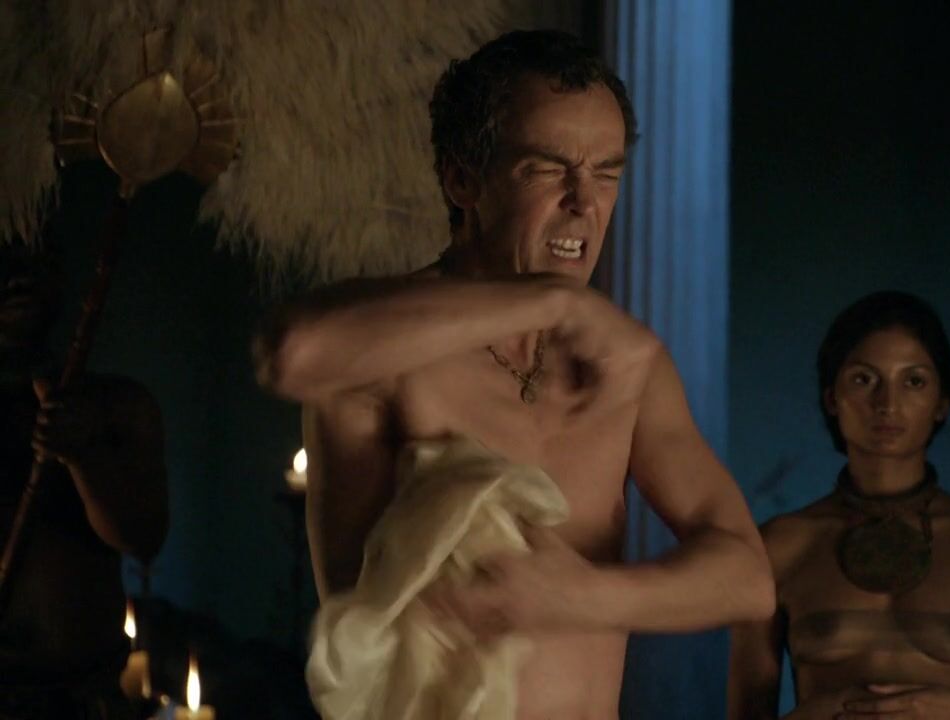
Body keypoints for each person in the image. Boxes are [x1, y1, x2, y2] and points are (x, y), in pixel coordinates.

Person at [254, 30, 773, 719]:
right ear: (462, 179)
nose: (584, 202)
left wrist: (581, 596)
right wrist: (552, 300)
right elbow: (291, 354)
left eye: (607, 173)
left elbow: (746, 578)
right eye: (546, 169)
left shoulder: (622, 364)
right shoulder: (385, 348)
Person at [727, 291, 950, 720]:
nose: (887, 404)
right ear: (831, 398)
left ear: (942, 403)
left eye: (914, 381)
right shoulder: (778, 547)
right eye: (863, 379)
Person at [0, 241, 168, 718]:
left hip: (86, 692)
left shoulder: (118, 406)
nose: (18, 279)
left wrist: (83, 457)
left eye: (34, 258)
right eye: (4, 262)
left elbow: (144, 539)